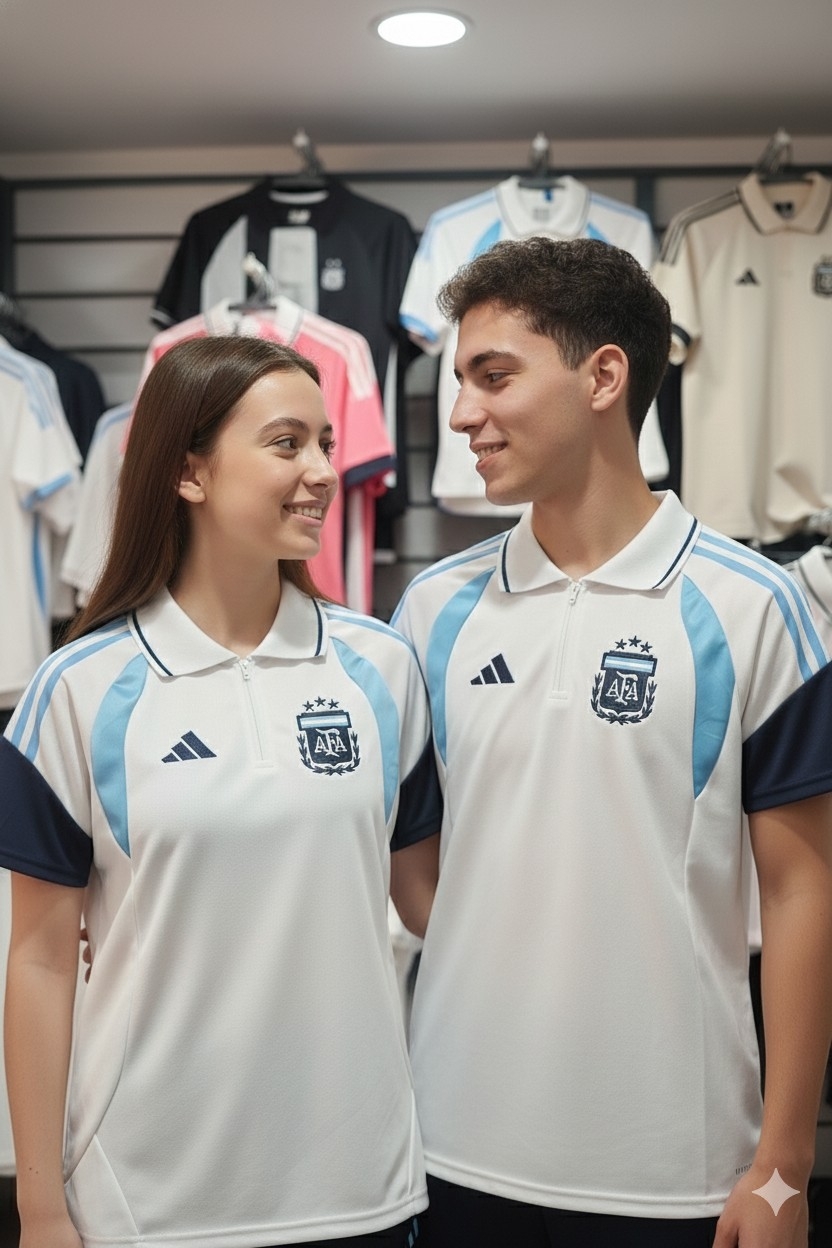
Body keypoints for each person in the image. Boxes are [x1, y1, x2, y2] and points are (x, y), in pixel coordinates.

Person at [389, 237, 832, 1248]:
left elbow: (803, 891)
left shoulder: (754, 606)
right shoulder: (430, 610)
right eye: (459, 382)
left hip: (676, 1168)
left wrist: (783, 1166)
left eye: (493, 376)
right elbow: (412, 872)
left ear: (602, 377)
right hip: (448, 1149)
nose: (461, 415)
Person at [0, 336, 440, 1248]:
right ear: (189, 472)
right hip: (146, 1201)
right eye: (287, 444)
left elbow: (431, 905)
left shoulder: (384, 669)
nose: (323, 471)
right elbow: (39, 963)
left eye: (326, 443)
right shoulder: (76, 691)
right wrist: (39, 1209)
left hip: (361, 1187)